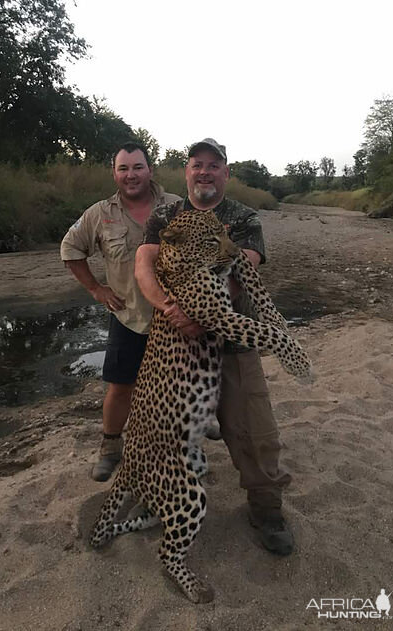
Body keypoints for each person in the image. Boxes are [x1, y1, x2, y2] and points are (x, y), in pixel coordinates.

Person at [135, 138, 294, 555]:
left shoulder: (243, 217)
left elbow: (244, 270)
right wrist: (171, 308)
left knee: (255, 433)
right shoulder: (165, 215)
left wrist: (200, 315)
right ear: (186, 171)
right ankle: (159, 498)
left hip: (233, 347)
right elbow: (143, 265)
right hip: (175, 350)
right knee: (163, 433)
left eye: (213, 165)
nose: (204, 172)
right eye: (197, 164)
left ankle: (266, 509)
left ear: (226, 172)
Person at [60, 142, 180, 481]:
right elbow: (70, 250)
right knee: (120, 386)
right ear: (114, 173)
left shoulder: (176, 206)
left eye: (137, 167)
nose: (131, 175)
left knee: (172, 386)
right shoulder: (100, 213)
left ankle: (173, 448)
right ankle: (111, 447)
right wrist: (96, 289)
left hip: (174, 318)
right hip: (128, 316)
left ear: (150, 169)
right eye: (123, 168)